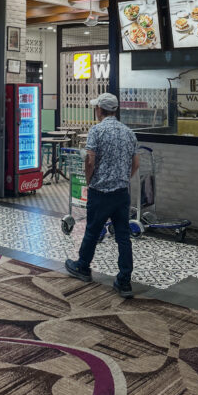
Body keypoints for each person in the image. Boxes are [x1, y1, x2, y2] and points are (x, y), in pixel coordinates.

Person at [65, 93, 139, 298]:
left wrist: (90, 181)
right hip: (121, 193)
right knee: (123, 237)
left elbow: (90, 161)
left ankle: (83, 267)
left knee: (92, 230)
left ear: (100, 110)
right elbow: (136, 164)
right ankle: (124, 281)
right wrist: (123, 179)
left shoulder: (96, 131)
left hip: (100, 191)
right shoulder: (128, 132)